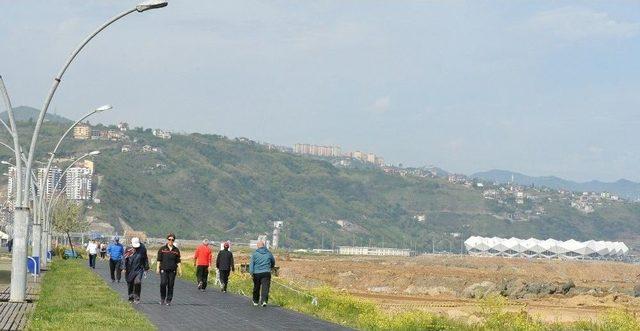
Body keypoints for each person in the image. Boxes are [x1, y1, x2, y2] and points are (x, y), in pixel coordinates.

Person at [156, 233, 182, 305]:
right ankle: (162, 298)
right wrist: (157, 268)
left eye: (172, 240)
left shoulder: (176, 250)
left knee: (171, 285)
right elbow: (159, 259)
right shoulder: (162, 249)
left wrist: (180, 270)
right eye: (169, 239)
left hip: (172, 270)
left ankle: (168, 300)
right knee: (163, 283)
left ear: (174, 240)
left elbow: (178, 261)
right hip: (163, 269)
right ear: (167, 240)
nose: (171, 241)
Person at [123, 237, 149, 304]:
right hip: (129, 269)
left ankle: (137, 298)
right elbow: (124, 259)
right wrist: (124, 268)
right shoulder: (128, 249)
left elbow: (145, 258)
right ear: (131, 243)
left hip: (139, 269)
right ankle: (131, 297)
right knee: (130, 283)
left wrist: (146, 268)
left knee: (137, 282)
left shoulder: (142, 249)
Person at [249, 240, 275, 307]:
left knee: (256, 287)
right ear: (264, 246)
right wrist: (271, 267)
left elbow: (251, 264)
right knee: (265, 288)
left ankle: (255, 301)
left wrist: (251, 273)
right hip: (266, 272)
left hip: (256, 273)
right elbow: (273, 261)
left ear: (258, 246)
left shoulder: (255, 254)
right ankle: (264, 301)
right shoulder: (269, 253)